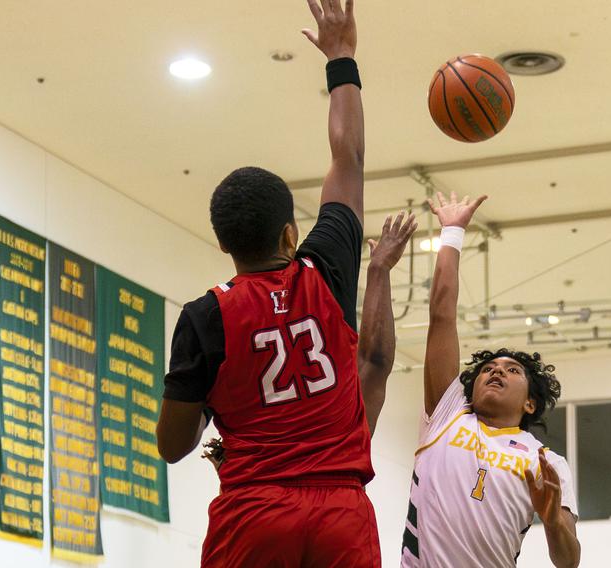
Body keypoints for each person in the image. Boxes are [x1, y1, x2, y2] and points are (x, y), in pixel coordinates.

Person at [155, 1, 380, 566]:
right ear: (291, 232)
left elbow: (172, 446)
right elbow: (347, 157)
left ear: (224, 244)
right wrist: (341, 57)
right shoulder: (326, 270)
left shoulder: (205, 317)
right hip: (341, 512)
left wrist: (213, 404)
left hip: (253, 512)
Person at [402, 192, 581, 568]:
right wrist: (452, 232)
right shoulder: (447, 412)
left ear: (529, 403)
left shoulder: (546, 463)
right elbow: (442, 315)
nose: (496, 370)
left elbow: (569, 562)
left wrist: (551, 522)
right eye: (488, 369)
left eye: (512, 370)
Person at [202, 211, 418, 472]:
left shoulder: (224, 318)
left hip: (262, 498)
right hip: (328, 500)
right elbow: (376, 361)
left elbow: (375, 362)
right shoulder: (341, 422)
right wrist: (379, 270)